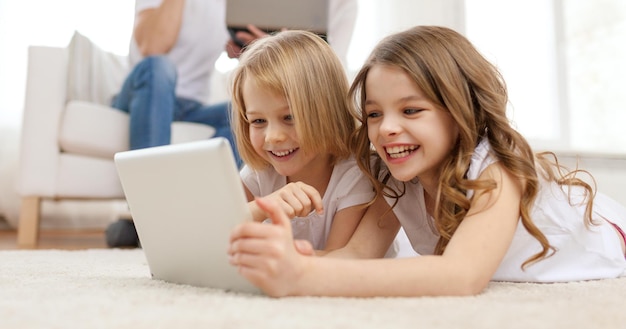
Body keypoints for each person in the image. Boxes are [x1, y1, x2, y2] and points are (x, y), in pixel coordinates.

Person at [228, 25, 626, 297]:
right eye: (374, 114)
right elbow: (353, 257)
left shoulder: (497, 168)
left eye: (411, 111)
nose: (386, 129)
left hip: (609, 238)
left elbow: (461, 275)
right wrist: (272, 258)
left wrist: (303, 275)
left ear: (458, 111)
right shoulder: (392, 176)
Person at [105, 0, 239, 248]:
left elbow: (235, 51)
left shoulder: (224, 6)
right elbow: (153, 45)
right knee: (159, 66)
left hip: (191, 108)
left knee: (243, 113)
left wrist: (257, 44)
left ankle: (184, 211)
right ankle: (148, 214)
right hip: (144, 94)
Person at [231, 30, 377, 253]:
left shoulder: (354, 176)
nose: (273, 136)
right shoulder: (259, 174)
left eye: (289, 117)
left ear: (328, 111)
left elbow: (336, 264)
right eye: (258, 120)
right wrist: (262, 208)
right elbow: (217, 236)